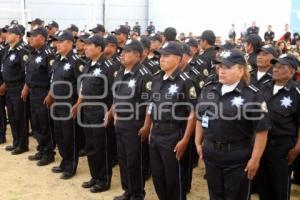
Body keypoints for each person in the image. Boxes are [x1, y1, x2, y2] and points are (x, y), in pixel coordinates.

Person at [195, 49, 270, 199]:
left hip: (237, 158)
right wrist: (198, 142)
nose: (222, 71)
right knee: (215, 195)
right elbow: (200, 117)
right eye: (220, 67)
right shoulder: (209, 89)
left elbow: (261, 130)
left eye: (228, 67)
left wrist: (255, 159)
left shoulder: (252, 95)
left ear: (241, 70)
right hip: (212, 154)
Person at [141, 41, 196, 200]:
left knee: (174, 178)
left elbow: (192, 112)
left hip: (174, 134)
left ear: (178, 59)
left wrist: (185, 139)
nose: (161, 59)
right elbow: (151, 105)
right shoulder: (156, 78)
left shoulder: (185, 81)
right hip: (156, 133)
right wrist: (149, 127)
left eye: (166, 56)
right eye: (160, 56)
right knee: (158, 175)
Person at [105, 39, 152, 200]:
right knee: (123, 159)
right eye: (122, 51)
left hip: (135, 124)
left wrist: (146, 126)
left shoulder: (144, 76)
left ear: (137, 55)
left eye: (127, 52)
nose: (122, 54)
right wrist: (114, 115)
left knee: (134, 161)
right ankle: (128, 191)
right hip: (121, 123)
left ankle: (137, 194)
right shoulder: (120, 73)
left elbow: (149, 104)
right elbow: (116, 97)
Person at [72, 35, 115, 193]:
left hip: (101, 111)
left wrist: (110, 113)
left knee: (101, 147)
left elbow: (115, 92)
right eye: (86, 45)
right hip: (87, 110)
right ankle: (94, 176)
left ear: (99, 48)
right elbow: (84, 87)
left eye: (89, 46)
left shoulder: (109, 67)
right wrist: (78, 103)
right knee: (90, 146)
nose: (85, 48)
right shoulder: (89, 64)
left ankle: (103, 180)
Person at [255, 53, 300, 200]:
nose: (275, 69)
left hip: (282, 148)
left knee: (280, 188)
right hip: (262, 146)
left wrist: (297, 148)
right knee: (263, 187)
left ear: (292, 71)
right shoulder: (264, 88)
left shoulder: (296, 93)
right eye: (275, 65)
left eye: (281, 67)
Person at [45, 30, 84, 179]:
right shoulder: (57, 59)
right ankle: (64, 161)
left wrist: (78, 103)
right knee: (60, 135)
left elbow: (82, 84)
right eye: (57, 41)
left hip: (69, 104)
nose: (57, 44)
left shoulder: (76, 60)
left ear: (69, 43)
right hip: (57, 103)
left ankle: (70, 166)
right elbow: (53, 80)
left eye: (61, 42)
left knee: (69, 136)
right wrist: (50, 94)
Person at [24, 27, 56, 166]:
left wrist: (50, 94)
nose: (30, 38)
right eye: (30, 36)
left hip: (43, 93)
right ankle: (41, 149)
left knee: (45, 124)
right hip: (33, 92)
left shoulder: (48, 54)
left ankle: (49, 153)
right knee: (36, 123)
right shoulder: (33, 53)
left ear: (42, 38)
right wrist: (26, 87)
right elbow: (30, 73)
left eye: (34, 36)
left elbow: (53, 77)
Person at [1, 25, 30, 155]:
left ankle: (23, 145)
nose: (7, 35)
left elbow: (26, 71)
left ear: (17, 36)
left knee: (20, 117)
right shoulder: (7, 50)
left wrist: (25, 88)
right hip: (9, 88)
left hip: (18, 87)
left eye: (10, 33)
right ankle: (16, 142)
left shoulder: (22, 51)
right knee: (11, 116)